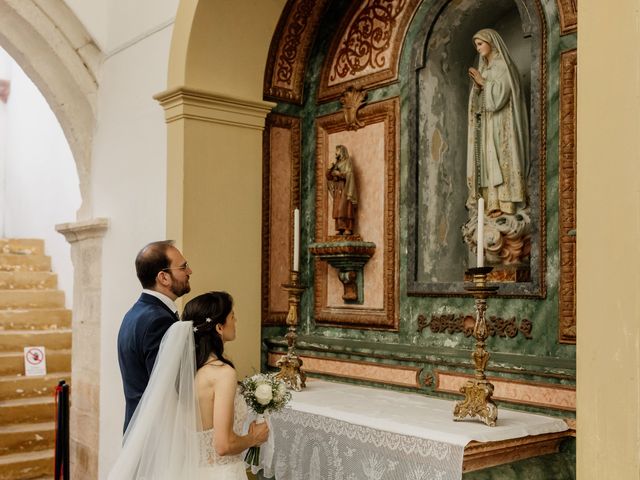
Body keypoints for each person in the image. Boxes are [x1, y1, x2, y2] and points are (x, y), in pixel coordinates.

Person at [108, 291, 269, 479]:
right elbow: (223, 445)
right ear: (219, 327)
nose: (236, 320)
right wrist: (254, 438)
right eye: (232, 316)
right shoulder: (222, 374)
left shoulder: (185, 373)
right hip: (220, 473)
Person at [117, 240, 192, 431]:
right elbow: (167, 388)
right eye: (183, 267)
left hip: (138, 429)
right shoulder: (158, 321)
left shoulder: (135, 313)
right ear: (163, 278)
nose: (190, 272)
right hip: (154, 435)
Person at [466, 28, 529, 217]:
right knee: (488, 159)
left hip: (502, 123)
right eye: (476, 45)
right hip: (487, 124)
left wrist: (483, 83)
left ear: (491, 42)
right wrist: (477, 87)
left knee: (502, 158)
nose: (478, 49)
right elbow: (478, 105)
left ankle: (506, 203)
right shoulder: (485, 69)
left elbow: (499, 98)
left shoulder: (503, 66)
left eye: (480, 44)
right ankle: (491, 202)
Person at [327, 144, 358, 235]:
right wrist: (330, 169)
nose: (335, 153)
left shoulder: (347, 162)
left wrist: (339, 174)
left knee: (344, 208)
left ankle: (347, 227)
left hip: (345, 188)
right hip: (337, 189)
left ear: (342, 152)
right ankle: (340, 228)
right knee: (337, 209)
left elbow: (350, 174)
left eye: (337, 151)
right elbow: (329, 177)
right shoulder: (336, 164)